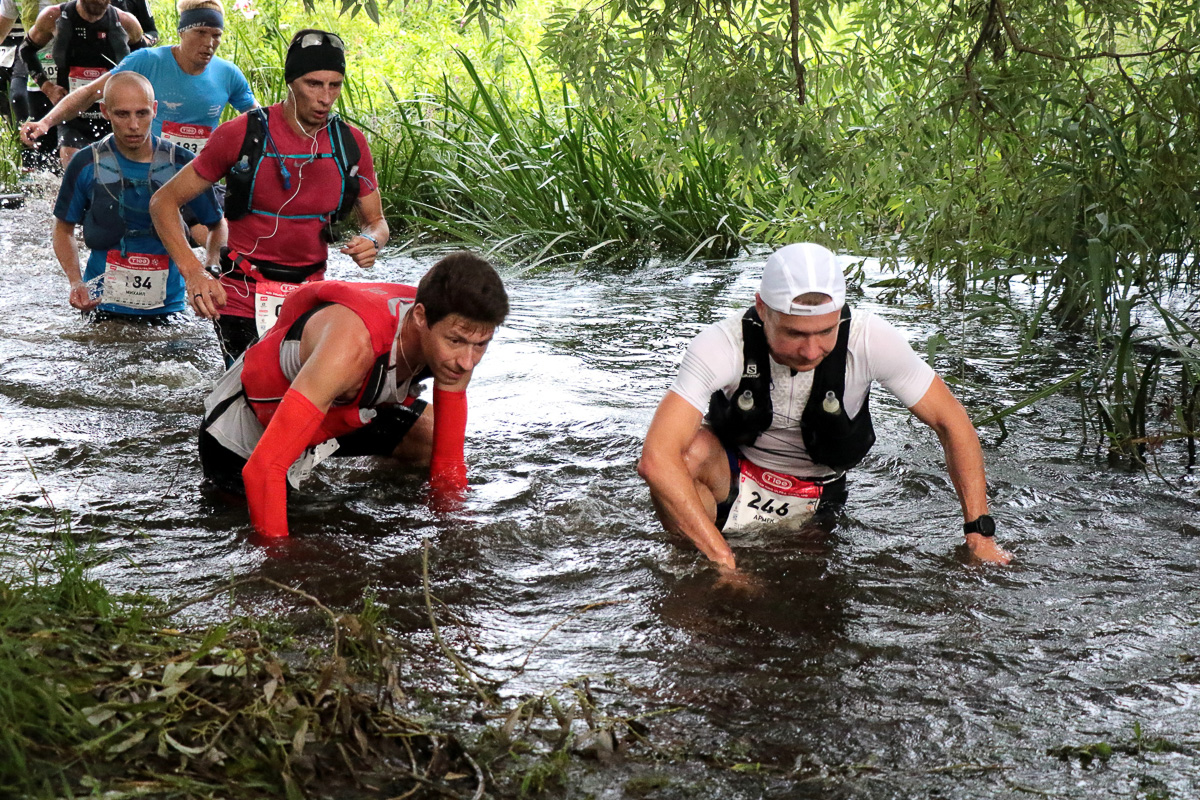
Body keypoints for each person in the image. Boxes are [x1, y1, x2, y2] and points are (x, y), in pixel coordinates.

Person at [638, 242, 1012, 577]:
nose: (811, 350)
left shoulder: (871, 340)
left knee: (808, 596)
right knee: (687, 456)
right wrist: (723, 560)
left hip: (816, 494)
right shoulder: (722, 344)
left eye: (825, 332)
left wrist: (979, 533)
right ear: (762, 309)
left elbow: (951, 421)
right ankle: (698, 558)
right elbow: (657, 458)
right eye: (795, 334)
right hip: (732, 476)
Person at [198, 252, 509, 538]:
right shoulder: (351, 346)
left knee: (429, 435)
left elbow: (448, 462)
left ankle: (363, 493)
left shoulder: (459, 331)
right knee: (260, 526)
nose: (467, 362)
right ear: (420, 317)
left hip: (336, 409)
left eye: (481, 345)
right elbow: (264, 469)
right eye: (455, 342)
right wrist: (281, 564)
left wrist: (453, 532)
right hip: (243, 433)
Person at [151, 28, 387, 366]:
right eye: (314, 84)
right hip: (241, 294)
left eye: (334, 85)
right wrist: (194, 273)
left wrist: (372, 242)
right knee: (248, 395)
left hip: (308, 294)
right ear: (291, 82)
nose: (326, 97)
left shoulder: (350, 144)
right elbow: (163, 202)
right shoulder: (240, 135)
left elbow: (376, 222)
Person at [51, 71, 224, 321]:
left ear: (154, 109)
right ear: (105, 111)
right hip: (101, 305)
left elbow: (217, 225)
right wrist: (76, 282)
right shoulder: (86, 163)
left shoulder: (183, 164)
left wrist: (210, 267)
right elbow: (63, 229)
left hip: (171, 309)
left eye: (142, 113)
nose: (133, 124)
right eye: (122, 114)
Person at [20, 0, 254, 159]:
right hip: (148, 165)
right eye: (201, 33)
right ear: (182, 32)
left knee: (205, 231)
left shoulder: (229, 74)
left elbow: (258, 120)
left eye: (216, 35)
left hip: (198, 170)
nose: (209, 43)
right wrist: (45, 122)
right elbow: (91, 92)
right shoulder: (147, 61)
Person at [18, 0, 144, 167]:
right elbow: (26, 50)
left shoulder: (126, 22)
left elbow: (144, 64)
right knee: (74, 170)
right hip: (72, 113)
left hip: (113, 115)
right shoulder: (54, 16)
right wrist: (48, 87)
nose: (100, 3)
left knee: (113, 176)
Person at [0, 0, 59, 166]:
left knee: (73, 142)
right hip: (38, 73)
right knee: (45, 153)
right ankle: (32, 167)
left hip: (74, 75)